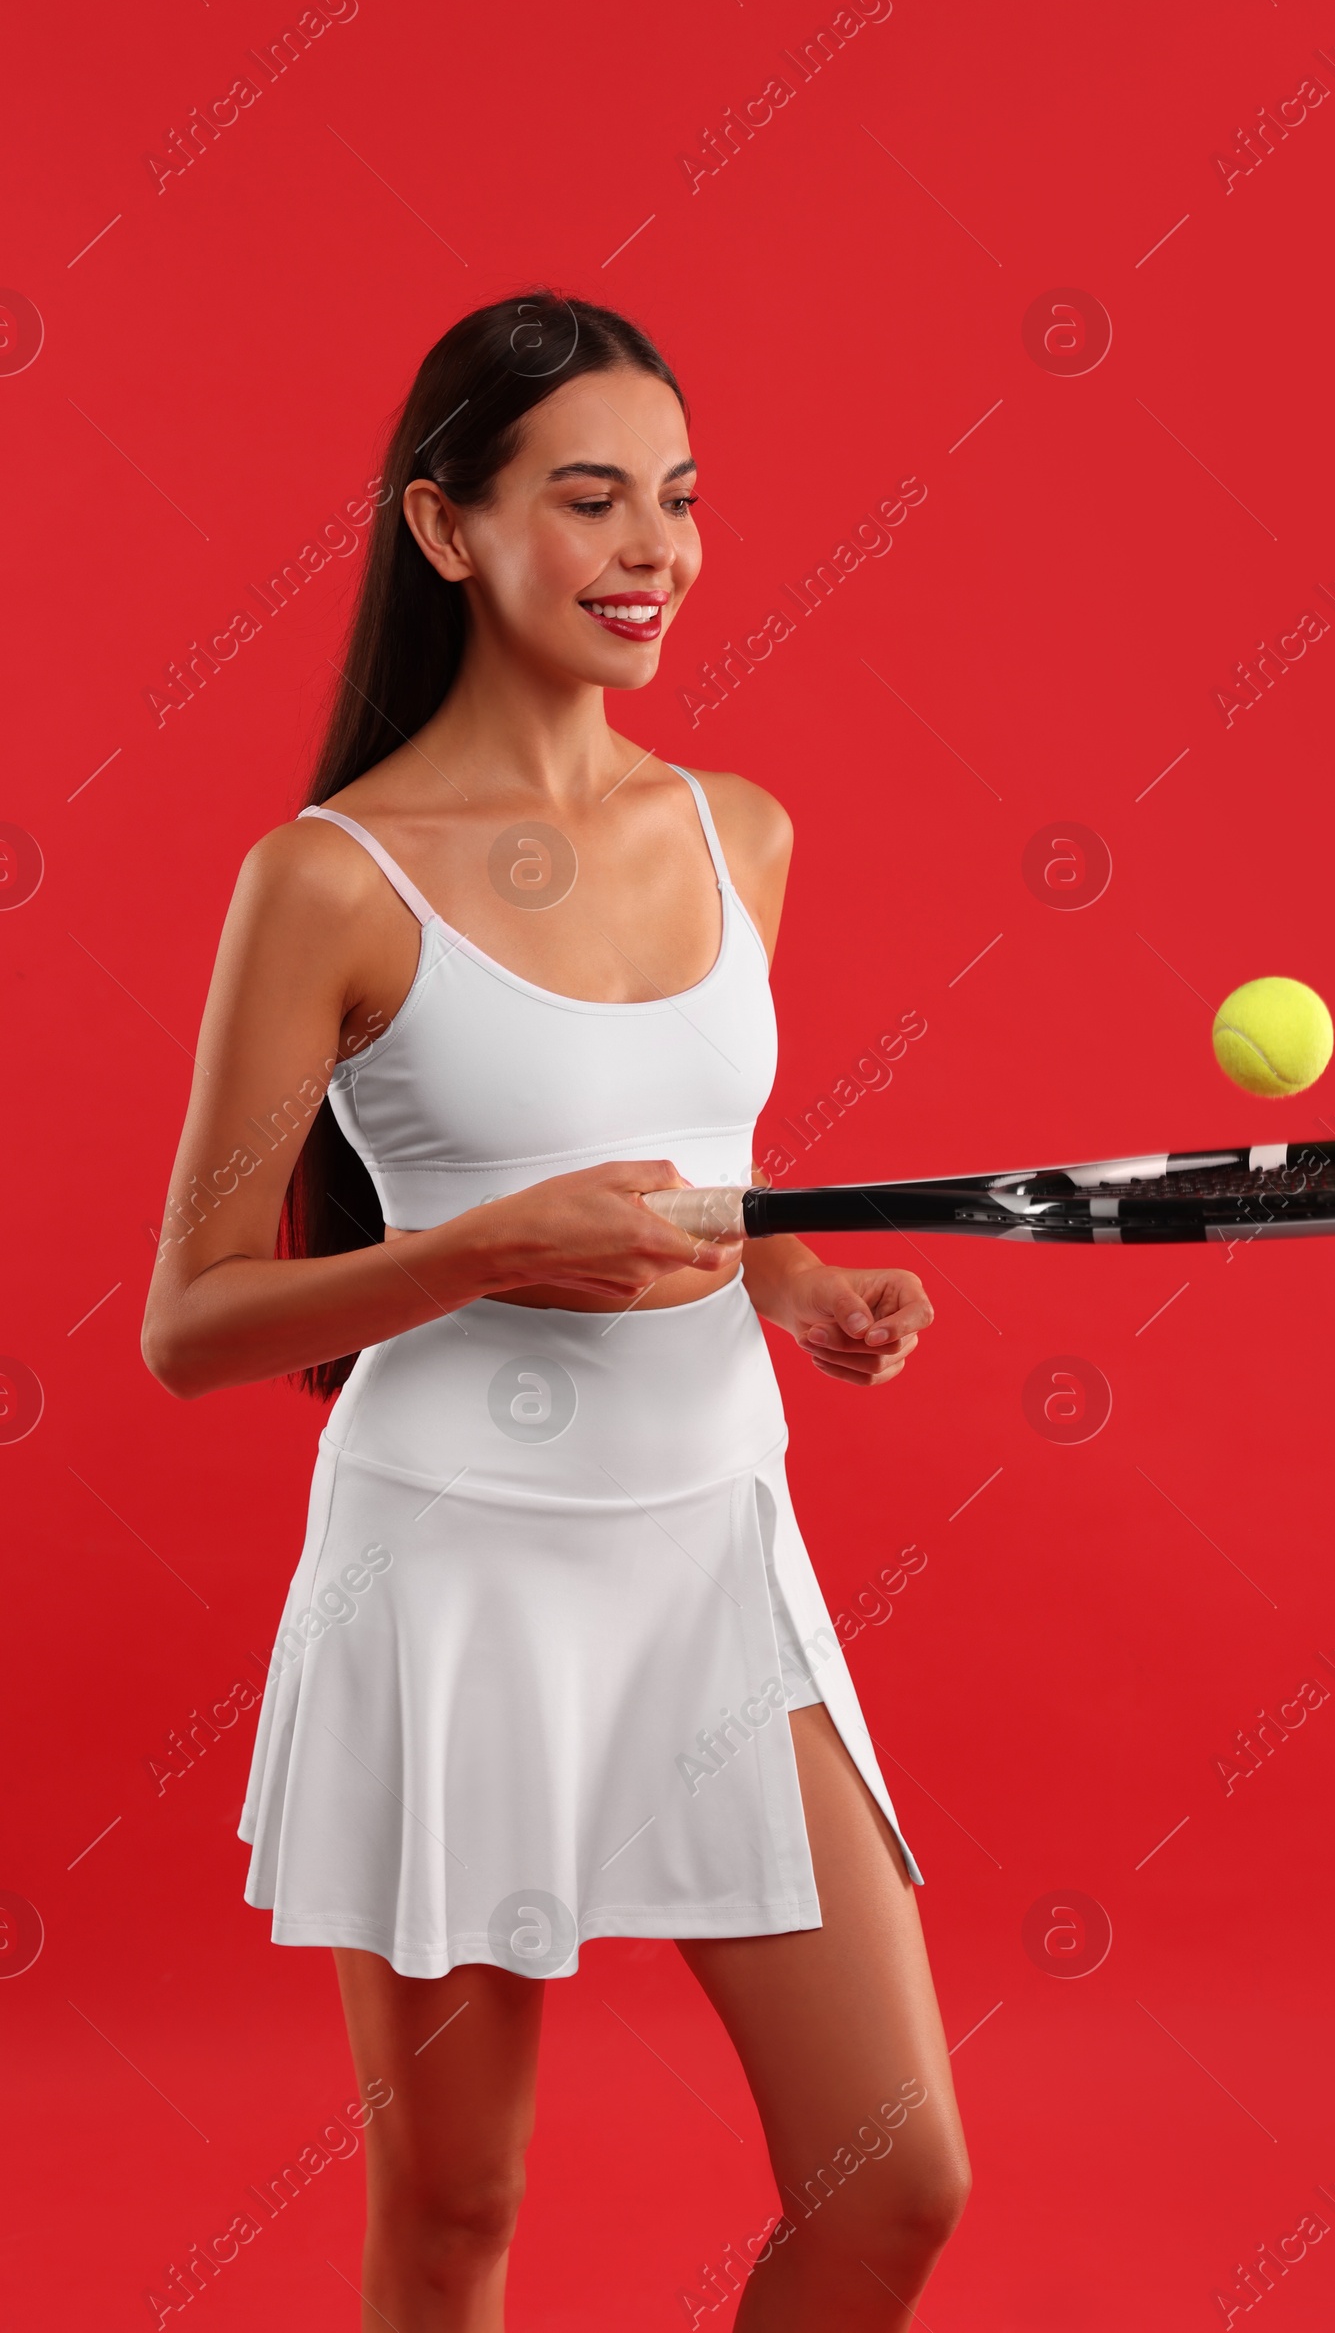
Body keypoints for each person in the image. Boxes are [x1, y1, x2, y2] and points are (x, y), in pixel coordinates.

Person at [141, 292, 970, 2329]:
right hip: (452, 1582)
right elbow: (192, 1321)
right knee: (453, 2221)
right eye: (586, 499)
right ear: (446, 528)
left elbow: (696, 1172)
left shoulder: (738, 834)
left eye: (675, 503)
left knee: (896, 2188)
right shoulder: (328, 881)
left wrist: (799, 1283)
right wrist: (478, 1253)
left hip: (713, 1565)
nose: (649, 551)